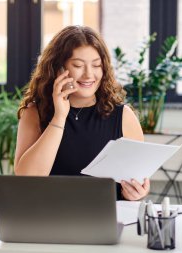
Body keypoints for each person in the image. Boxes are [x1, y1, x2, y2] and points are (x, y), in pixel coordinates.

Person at [14, 25, 149, 201]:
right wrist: (59, 117)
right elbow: (26, 179)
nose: (89, 75)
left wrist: (137, 192)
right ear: (59, 68)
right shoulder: (35, 113)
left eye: (96, 65)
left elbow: (137, 180)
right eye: (78, 65)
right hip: (49, 218)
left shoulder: (124, 117)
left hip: (106, 220)